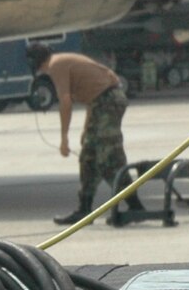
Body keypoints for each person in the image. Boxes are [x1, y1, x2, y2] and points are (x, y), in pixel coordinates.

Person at [29, 39, 130, 225]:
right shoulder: (59, 61)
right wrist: (85, 130)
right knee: (88, 157)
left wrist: (64, 139)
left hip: (109, 101)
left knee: (108, 158)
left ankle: (135, 206)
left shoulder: (55, 65)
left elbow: (65, 103)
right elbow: (93, 96)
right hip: (102, 102)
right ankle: (84, 210)